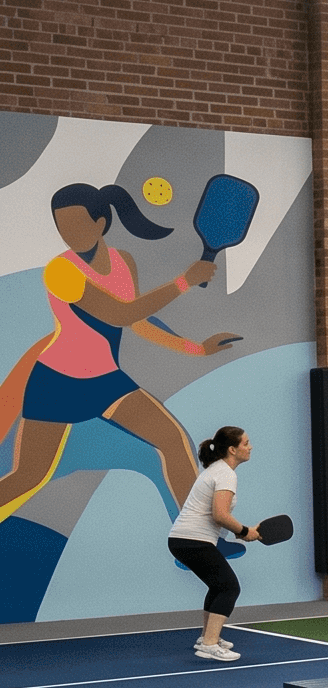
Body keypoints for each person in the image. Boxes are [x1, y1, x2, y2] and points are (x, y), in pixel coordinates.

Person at [0, 184, 241, 529]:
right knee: (29, 476)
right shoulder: (60, 270)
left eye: (77, 225)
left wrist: (197, 348)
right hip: (56, 383)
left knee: (172, 440)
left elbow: (138, 323)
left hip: (106, 381)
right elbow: (119, 315)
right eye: (61, 227)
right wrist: (184, 282)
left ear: (100, 223)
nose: (68, 234)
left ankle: (195, 535)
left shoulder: (122, 261)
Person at [165, 426, 257, 661]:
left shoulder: (217, 470)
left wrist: (242, 532)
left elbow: (217, 515)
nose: (250, 447)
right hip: (192, 539)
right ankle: (209, 644)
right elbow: (220, 514)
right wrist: (244, 531)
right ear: (232, 449)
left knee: (218, 586)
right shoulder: (226, 474)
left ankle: (207, 636)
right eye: (246, 443)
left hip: (184, 539)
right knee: (229, 587)